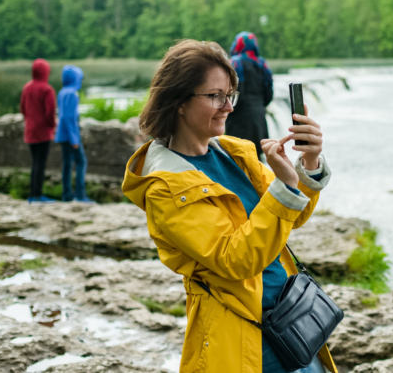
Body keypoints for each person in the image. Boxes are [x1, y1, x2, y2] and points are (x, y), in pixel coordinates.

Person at [122, 39, 335, 373]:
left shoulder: (233, 152)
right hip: (242, 339)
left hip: (293, 322)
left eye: (230, 95)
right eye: (215, 96)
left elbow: (293, 215)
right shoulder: (165, 186)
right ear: (178, 101)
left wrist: (308, 161)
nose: (229, 107)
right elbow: (236, 260)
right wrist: (284, 187)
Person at [225, 32, 274, 158]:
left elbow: (237, 92)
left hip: (239, 121)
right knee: (257, 161)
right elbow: (269, 94)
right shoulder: (262, 64)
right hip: (259, 118)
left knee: (238, 160)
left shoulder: (235, 64)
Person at [20, 58, 57, 204]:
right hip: (43, 132)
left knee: (34, 163)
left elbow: (23, 109)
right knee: (40, 164)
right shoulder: (47, 89)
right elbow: (50, 112)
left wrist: (30, 121)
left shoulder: (27, 87)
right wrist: (52, 126)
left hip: (29, 131)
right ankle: (38, 195)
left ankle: (32, 194)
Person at [54, 65, 93, 203]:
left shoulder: (62, 92)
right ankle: (80, 195)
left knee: (66, 164)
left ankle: (66, 195)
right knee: (81, 162)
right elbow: (69, 118)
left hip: (62, 135)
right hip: (71, 136)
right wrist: (75, 139)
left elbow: (62, 115)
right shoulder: (73, 94)